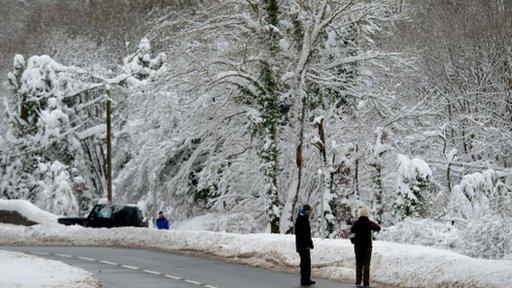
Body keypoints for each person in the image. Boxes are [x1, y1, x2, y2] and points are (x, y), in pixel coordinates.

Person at [349, 206, 381, 287]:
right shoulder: (369, 222)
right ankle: (366, 282)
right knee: (367, 264)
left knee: (358, 263)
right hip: (367, 247)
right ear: (367, 214)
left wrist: (353, 241)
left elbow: (351, 233)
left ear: (360, 214)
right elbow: (378, 228)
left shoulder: (356, 223)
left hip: (358, 246)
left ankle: (358, 281)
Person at [294, 204, 315, 286]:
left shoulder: (303, 218)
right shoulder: (301, 220)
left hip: (304, 245)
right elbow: (303, 235)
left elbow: (307, 234)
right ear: (306, 211)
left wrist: (310, 243)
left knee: (306, 262)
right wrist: (307, 244)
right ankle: (304, 279)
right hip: (302, 246)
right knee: (304, 263)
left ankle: (307, 278)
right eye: (309, 212)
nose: (310, 213)